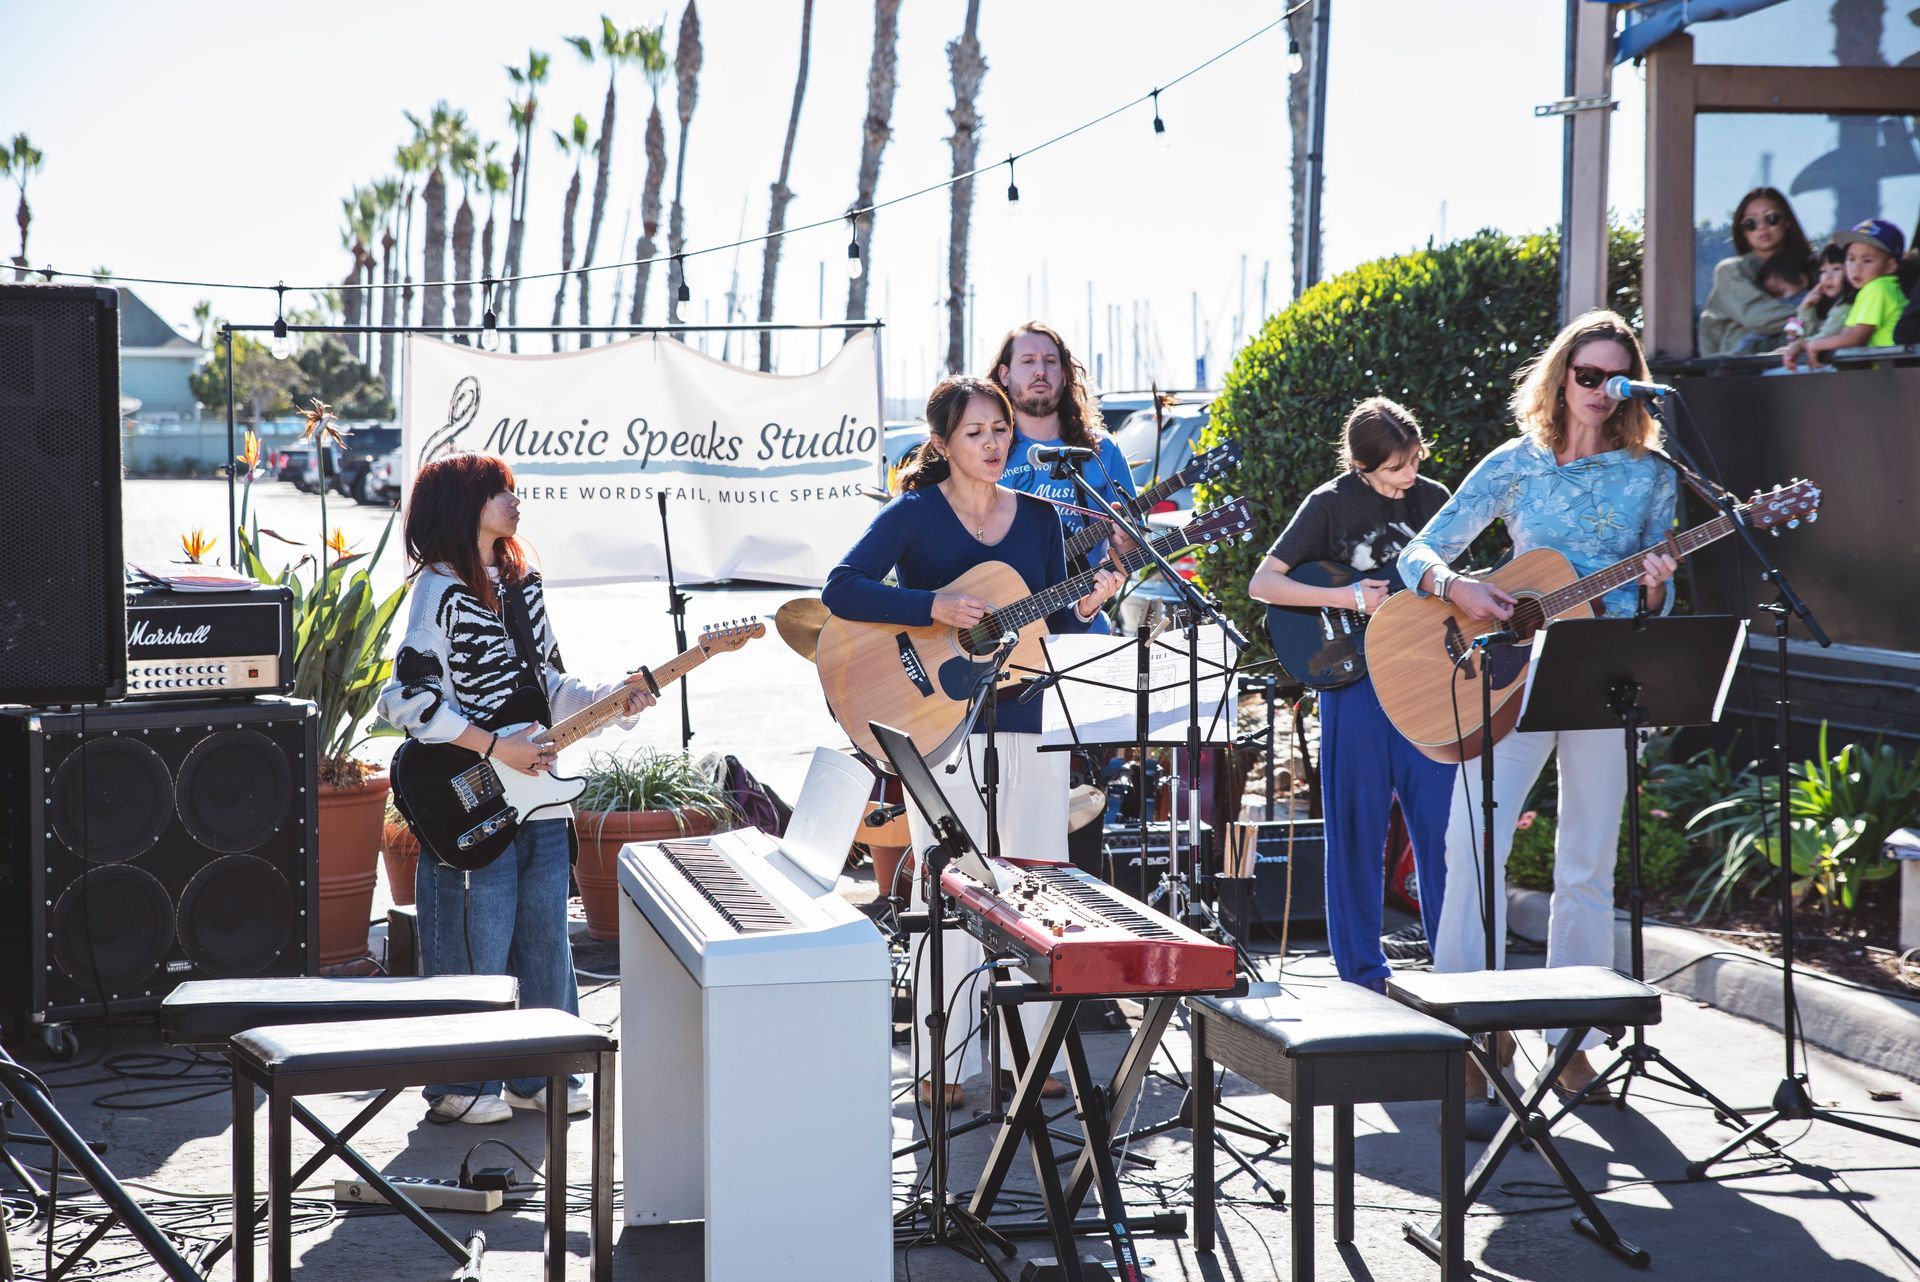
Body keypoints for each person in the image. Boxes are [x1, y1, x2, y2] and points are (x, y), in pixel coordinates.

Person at [1396, 311, 1679, 1103]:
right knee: (1468, 841)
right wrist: (1458, 587)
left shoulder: (1651, 475)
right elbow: (1417, 551)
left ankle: (1574, 1039)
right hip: (1508, 676)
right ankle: (1470, 1026)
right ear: (1561, 376)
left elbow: (1661, 592)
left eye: (1615, 380)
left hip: (1603, 673)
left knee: (1586, 863)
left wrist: (1657, 581)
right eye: (1587, 375)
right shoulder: (1515, 464)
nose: (1599, 391)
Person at [822, 376, 1123, 1105]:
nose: (993, 445)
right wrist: (932, 604)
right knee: (952, 887)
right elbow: (841, 588)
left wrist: (1091, 603)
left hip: (1025, 719)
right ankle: (944, 1061)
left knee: (1036, 888)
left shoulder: (1042, 518)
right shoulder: (916, 514)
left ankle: (1033, 1056)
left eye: (1000, 430)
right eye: (976, 434)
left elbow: (1055, 627)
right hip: (939, 728)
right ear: (942, 445)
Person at [377, 452, 658, 1125]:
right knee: (474, 935)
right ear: (462, 504)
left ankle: (543, 1073)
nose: (515, 499)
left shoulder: (523, 585)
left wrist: (611, 700)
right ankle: (460, 1086)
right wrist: (496, 745)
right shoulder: (437, 593)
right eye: (499, 491)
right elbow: (405, 700)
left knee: (543, 935)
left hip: (535, 793)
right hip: (464, 789)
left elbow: (551, 685)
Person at [1246, 398, 1456, 994]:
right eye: (1394, 469)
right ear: (1362, 466)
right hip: (1355, 685)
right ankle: (1365, 981)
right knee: (1356, 833)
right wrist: (1350, 600)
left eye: (1414, 461)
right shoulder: (1331, 503)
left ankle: (1457, 971)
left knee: (1444, 834)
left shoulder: (1435, 498)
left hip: (1429, 684)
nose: (1408, 477)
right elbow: (1265, 584)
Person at [989, 322, 1138, 606]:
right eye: (1028, 361)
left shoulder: (1101, 450)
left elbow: (1128, 554)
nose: (1040, 371)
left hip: (1083, 613)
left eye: (1050, 361)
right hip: (1004, 616)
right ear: (1005, 374)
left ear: (1065, 373)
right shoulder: (989, 449)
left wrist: (1125, 541)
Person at [1697, 187, 1815, 356]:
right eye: (1751, 223)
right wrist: (1817, 314)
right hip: (1737, 370)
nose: (1762, 227)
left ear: (1787, 221)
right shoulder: (1731, 270)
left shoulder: (1813, 267)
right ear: (1743, 232)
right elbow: (1760, 319)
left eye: (1772, 218)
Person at [1781, 219, 1910, 369]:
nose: (1856, 268)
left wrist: (1812, 344)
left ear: (1890, 266)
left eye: (1867, 260)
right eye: (1851, 259)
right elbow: (1846, 333)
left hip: (1891, 374)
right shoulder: (1869, 290)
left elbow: (1855, 338)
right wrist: (1806, 344)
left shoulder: (1878, 288)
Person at [1791, 241, 1854, 344]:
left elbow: (1822, 340)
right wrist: (1806, 309)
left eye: (1836, 269)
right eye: (1823, 271)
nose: (1827, 277)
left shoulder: (1846, 306)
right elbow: (1806, 336)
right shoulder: (1831, 305)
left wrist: (1796, 348)